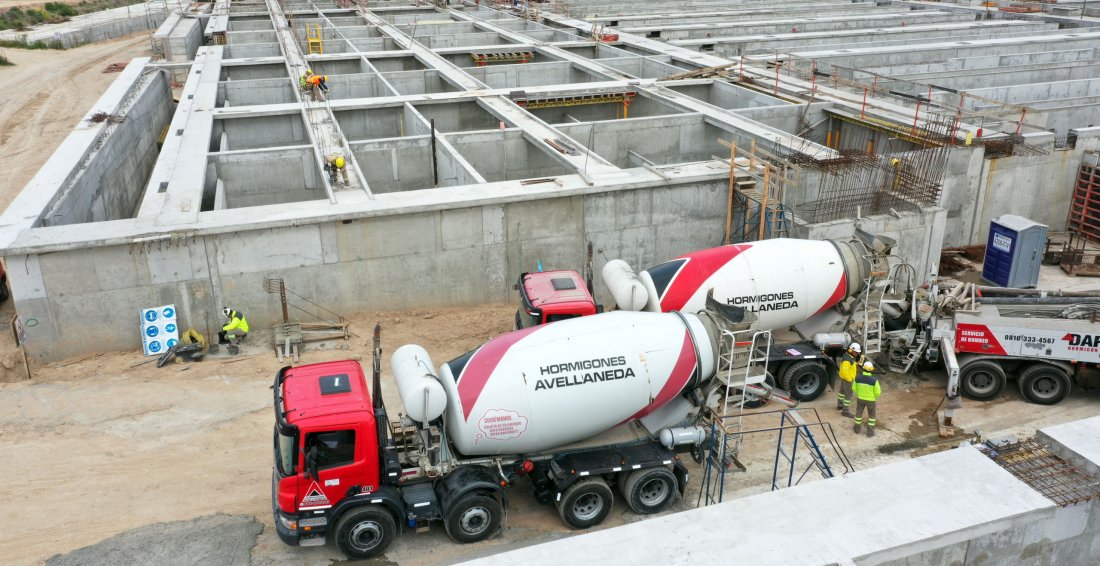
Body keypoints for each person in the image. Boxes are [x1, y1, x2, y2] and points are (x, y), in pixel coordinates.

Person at [852, 360, 882, 437]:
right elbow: (878, 392)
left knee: (858, 414)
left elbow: (854, 388)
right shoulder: (874, 380)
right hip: (871, 400)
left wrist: (859, 393)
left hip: (860, 399)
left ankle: (856, 429)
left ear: (863, 369)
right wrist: (874, 397)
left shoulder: (857, 378)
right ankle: (870, 432)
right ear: (871, 370)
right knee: (872, 416)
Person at [836, 342, 862, 418]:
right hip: (848, 379)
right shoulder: (847, 360)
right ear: (851, 350)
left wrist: (857, 364)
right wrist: (849, 380)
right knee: (849, 396)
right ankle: (845, 411)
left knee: (842, 393)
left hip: (845, 379)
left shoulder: (849, 356)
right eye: (856, 352)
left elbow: (851, 366)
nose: (857, 354)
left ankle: (840, 405)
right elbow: (844, 371)